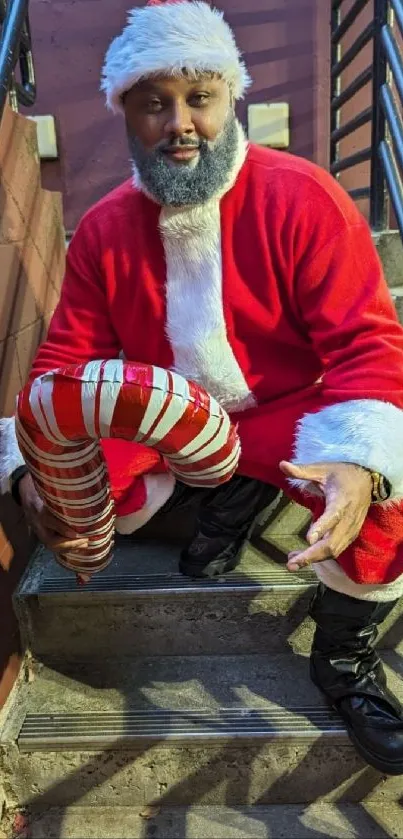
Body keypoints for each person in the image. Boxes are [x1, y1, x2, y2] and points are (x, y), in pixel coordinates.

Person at [1, 0, 403, 774]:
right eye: (154, 103)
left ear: (231, 99)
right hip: (162, 420)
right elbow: (62, 367)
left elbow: (364, 346)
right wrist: (32, 474)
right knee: (79, 483)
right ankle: (223, 495)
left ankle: (345, 663)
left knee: (384, 485)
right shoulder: (106, 229)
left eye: (199, 99)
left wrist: (358, 459)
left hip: (285, 411)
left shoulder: (304, 196)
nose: (179, 124)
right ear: (126, 114)